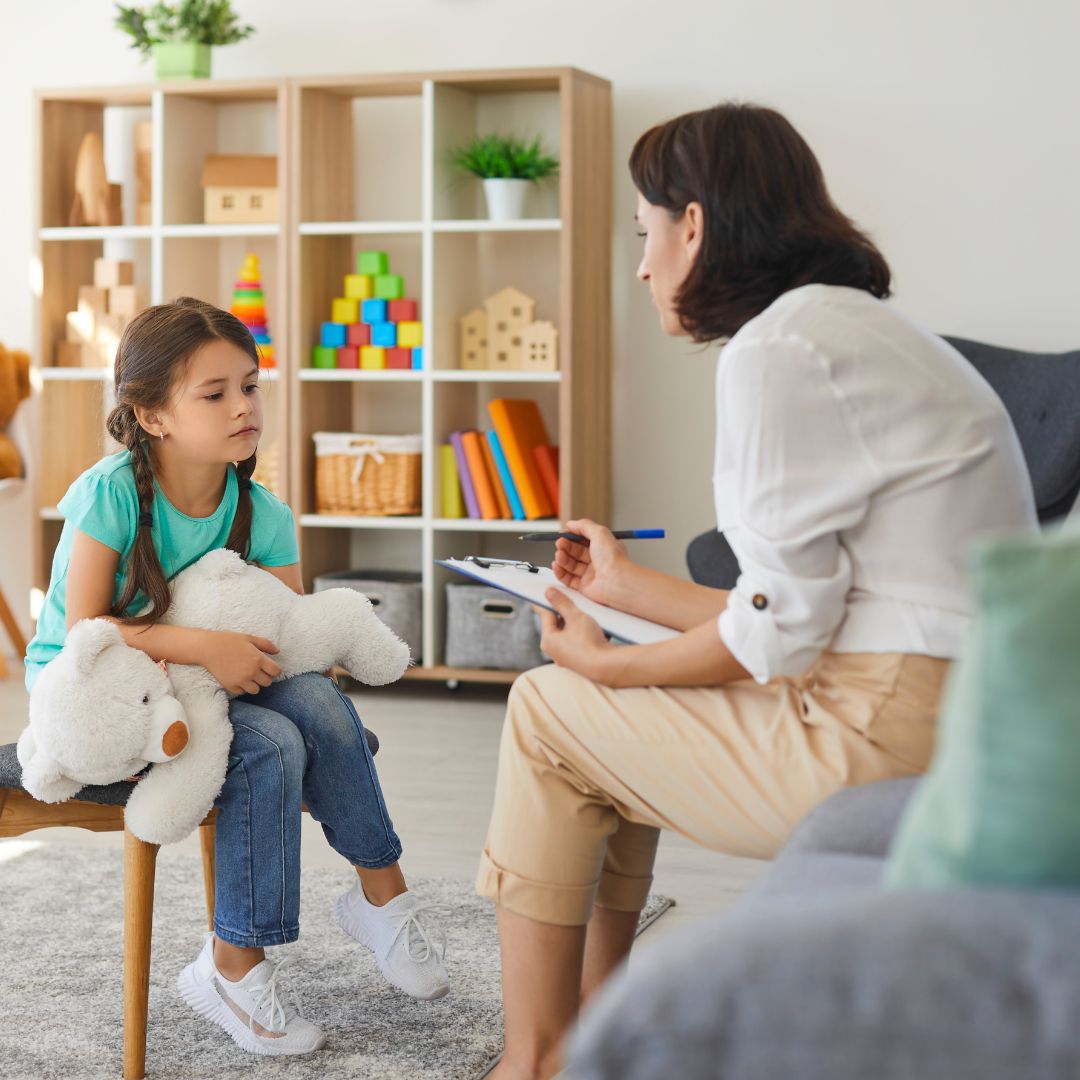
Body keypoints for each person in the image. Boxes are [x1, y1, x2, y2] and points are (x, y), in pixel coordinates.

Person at [477, 103, 1038, 1079]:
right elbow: (809, 611)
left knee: (546, 710)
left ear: (696, 225)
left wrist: (611, 668)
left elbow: (773, 641)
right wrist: (624, 590)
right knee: (603, 710)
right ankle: (596, 1026)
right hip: (953, 710)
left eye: (647, 235)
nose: (645, 266)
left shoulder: (778, 350)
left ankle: (532, 1062)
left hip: (882, 730)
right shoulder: (856, 329)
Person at [23, 297, 448, 1056]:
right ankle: (233, 965)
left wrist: (229, 655)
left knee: (313, 698)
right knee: (271, 746)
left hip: (207, 689)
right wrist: (204, 646)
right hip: (104, 695)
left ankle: (382, 896)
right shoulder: (111, 493)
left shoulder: (264, 513)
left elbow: (287, 644)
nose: (244, 406)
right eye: (214, 393)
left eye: (249, 386)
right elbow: (86, 631)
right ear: (152, 415)